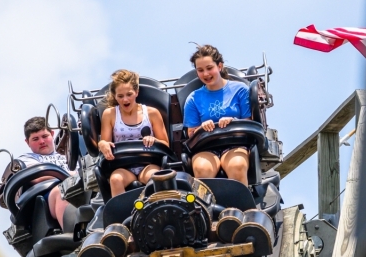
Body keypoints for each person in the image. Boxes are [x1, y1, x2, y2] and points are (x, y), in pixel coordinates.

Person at [183, 44, 252, 185]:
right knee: (202, 170)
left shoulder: (240, 90)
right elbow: (191, 133)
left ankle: (242, 205)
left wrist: (233, 120)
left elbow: (249, 121)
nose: (206, 74)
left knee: (236, 166)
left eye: (209, 68)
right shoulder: (193, 98)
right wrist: (202, 127)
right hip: (207, 147)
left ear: (219, 66)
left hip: (235, 143)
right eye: (200, 70)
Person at [97, 69, 169, 198]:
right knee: (115, 179)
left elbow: (165, 144)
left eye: (129, 94)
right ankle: (121, 216)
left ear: (136, 92)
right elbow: (105, 141)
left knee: (154, 178)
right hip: (123, 166)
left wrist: (153, 140)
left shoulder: (152, 113)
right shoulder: (109, 114)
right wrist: (102, 144)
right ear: (115, 96)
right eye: (120, 96)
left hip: (148, 163)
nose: (125, 99)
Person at [0, 116, 72, 226]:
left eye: (45, 136)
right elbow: (38, 177)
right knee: (61, 191)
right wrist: (71, 175)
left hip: (77, 186)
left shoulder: (68, 154)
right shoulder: (26, 159)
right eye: (35, 139)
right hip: (46, 198)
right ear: (27, 142)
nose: (41, 141)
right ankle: (72, 233)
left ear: (52, 134)